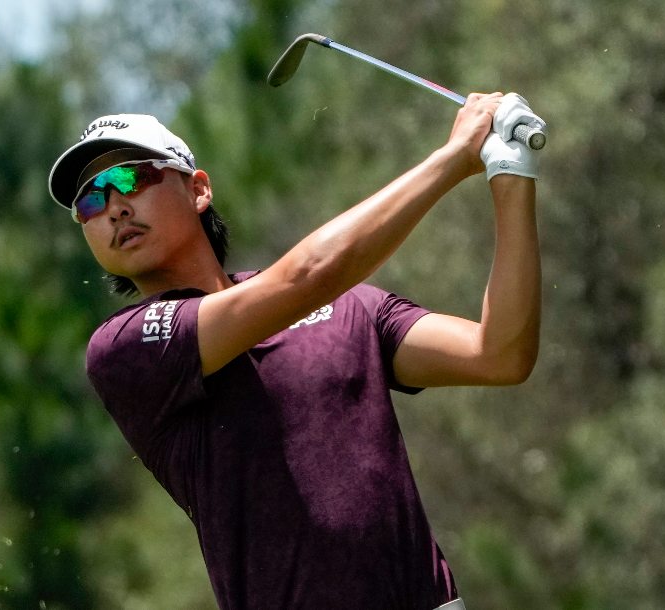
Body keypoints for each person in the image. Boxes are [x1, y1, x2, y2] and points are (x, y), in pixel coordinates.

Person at [47, 93, 544, 609]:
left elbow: (499, 353)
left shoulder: (348, 307)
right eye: (90, 202)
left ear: (198, 189)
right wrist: (454, 157)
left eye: (130, 178)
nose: (114, 207)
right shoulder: (125, 348)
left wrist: (509, 174)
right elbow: (308, 276)